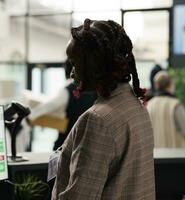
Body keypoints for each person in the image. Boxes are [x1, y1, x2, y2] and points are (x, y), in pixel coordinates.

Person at [52, 19, 155, 200]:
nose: (71, 73)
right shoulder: (136, 107)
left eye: (75, 63)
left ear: (94, 64)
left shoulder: (97, 120)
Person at [29, 60, 97, 150]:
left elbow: (50, 105)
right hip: (88, 141)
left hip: (68, 142)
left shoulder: (69, 90)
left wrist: (30, 116)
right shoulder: (94, 90)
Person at [147, 71, 185, 148]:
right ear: (171, 84)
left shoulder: (149, 105)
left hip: (156, 155)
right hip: (175, 156)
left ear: (156, 85)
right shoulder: (175, 105)